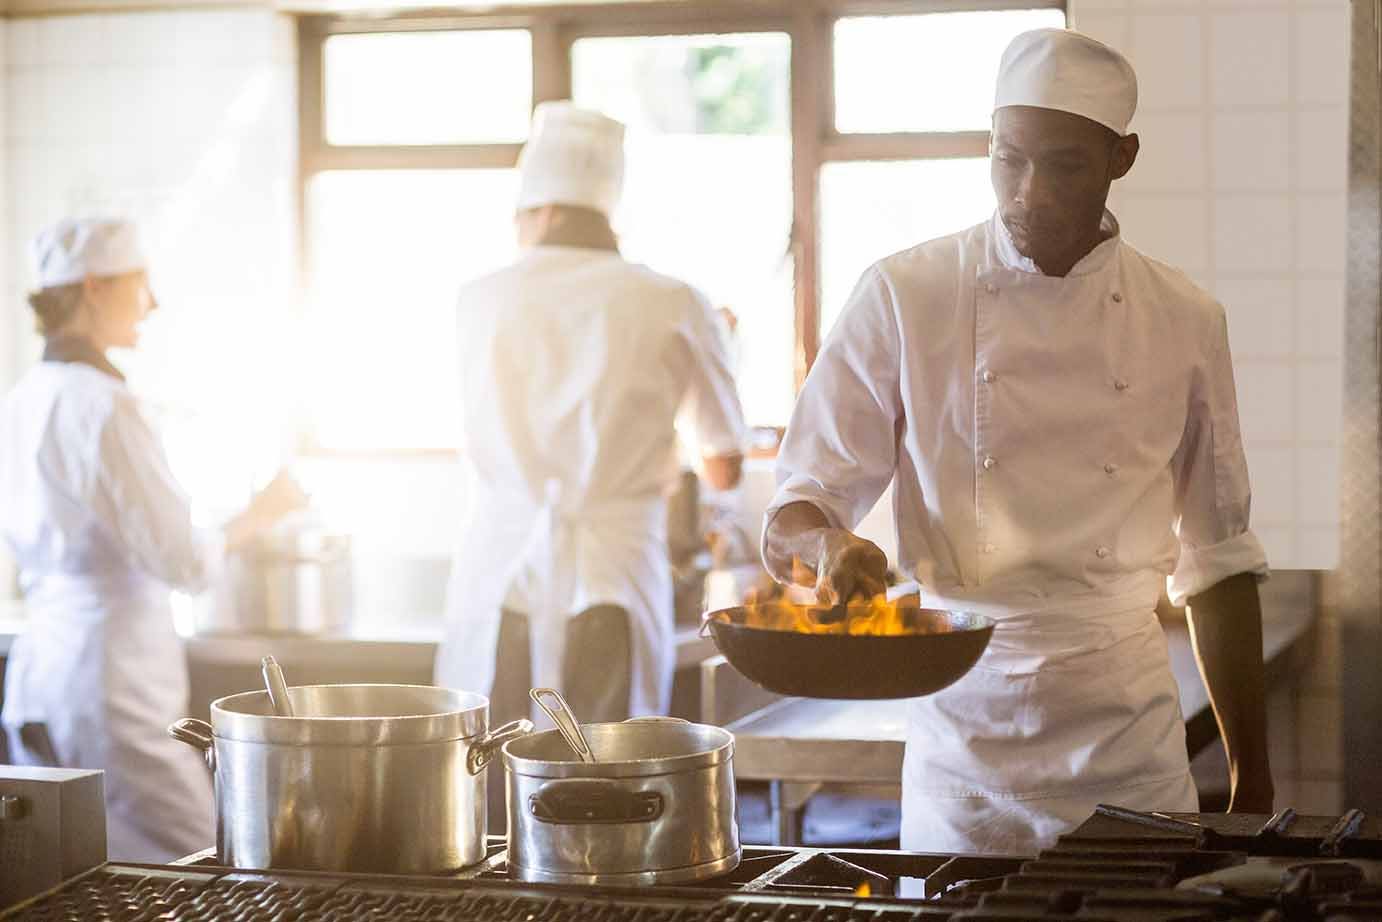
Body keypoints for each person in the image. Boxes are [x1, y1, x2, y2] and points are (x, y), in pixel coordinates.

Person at [761, 29, 1273, 855]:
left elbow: (1218, 561)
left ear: (1123, 158)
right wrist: (824, 545)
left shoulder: (1183, 319)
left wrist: (1253, 777)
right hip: (962, 746)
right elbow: (797, 503)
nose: (1030, 193)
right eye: (1010, 159)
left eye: (1065, 165)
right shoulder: (905, 294)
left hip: (1127, 744)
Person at [0, 217, 305, 862]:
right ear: (94, 289)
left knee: (69, 868)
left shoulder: (26, 394)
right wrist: (262, 511)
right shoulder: (105, 403)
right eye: (141, 284)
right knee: (200, 861)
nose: (154, 302)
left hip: (42, 672)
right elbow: (181, 559)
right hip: (113, 682)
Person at [436, 102, 747, 728]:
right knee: (606, 788)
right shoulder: (676, 302)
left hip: (500, 579)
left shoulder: (478, 299)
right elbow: (724, 469)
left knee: (487, 778)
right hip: (613, 577)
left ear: (541, 210)